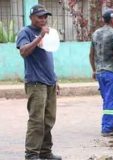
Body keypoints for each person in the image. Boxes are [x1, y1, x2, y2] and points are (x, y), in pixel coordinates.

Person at [16, 4, 61, 160]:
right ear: (31, 17)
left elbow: (48, 58)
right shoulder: (26, 32)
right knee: (36, 120)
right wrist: (40, 37)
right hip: (35, 82)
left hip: (49, 82)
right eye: (39, 17)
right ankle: (31, 154)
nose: (43, 19)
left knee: (49, 119)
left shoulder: (48, 33)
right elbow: (23, 52)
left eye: (45, 17)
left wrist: (55, 79)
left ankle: (45, 152)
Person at [89, 9, 113, 137]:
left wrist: (94, 70)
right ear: (112, 19)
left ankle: (107, 125)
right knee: (111, 100)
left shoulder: (96, 33)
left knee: (107, 99)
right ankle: (108, 128)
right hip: (110, 72)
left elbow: (91, 55)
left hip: (99, 72)